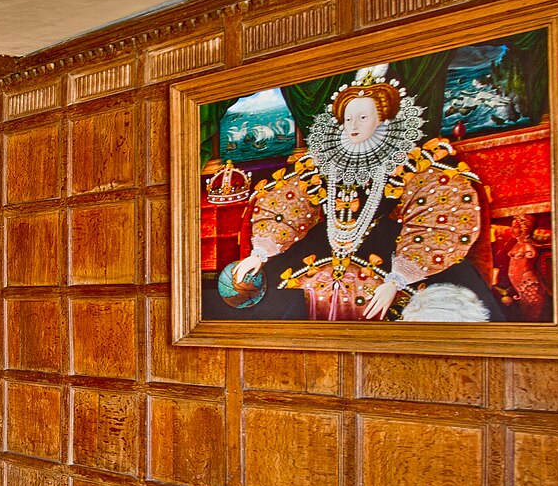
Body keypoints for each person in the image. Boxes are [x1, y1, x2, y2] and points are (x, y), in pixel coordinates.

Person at [212, 75, 502, 322]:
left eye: (363, 117)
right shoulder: (322, 163)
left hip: (390, 251)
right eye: (348, 118)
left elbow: (434, 215)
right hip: (323, 245)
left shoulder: (412, 163)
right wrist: (260, 253)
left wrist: (398, 279)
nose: (354, 125)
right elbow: (291, 202)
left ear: (382, 118)